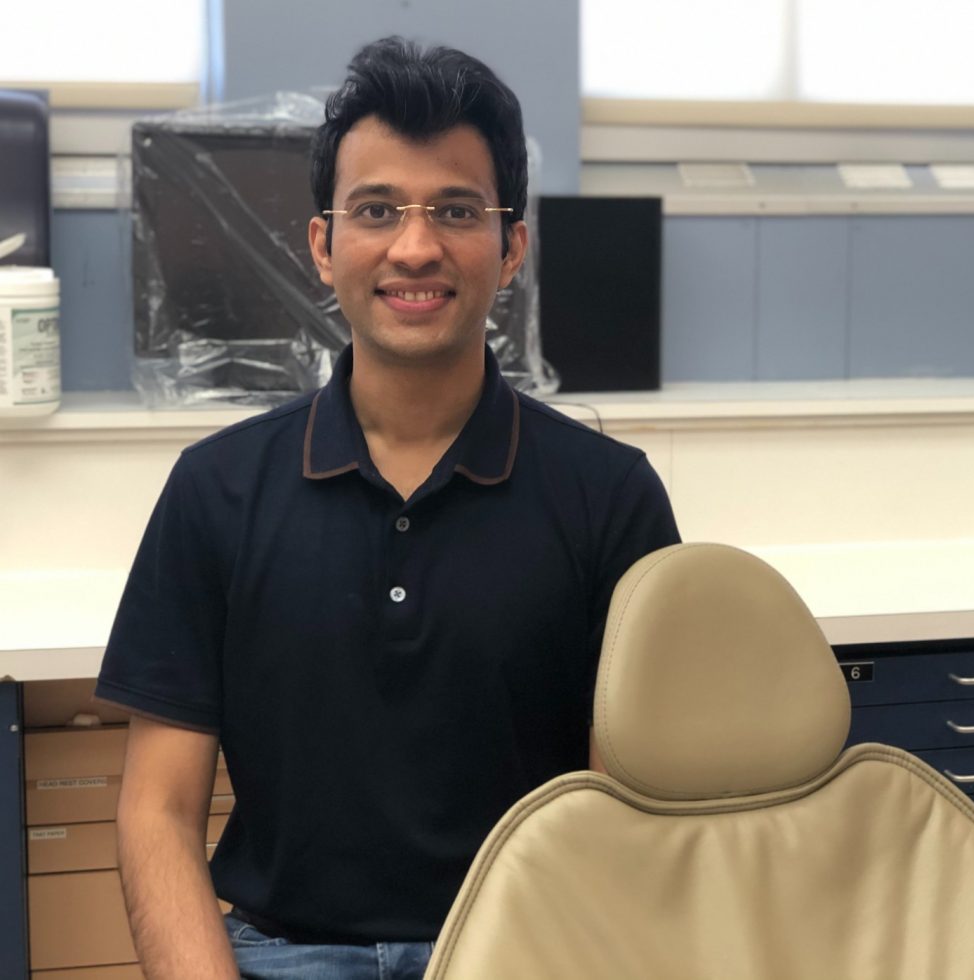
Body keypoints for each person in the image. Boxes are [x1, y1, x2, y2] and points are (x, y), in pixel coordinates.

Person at [95, 36, 679, 980]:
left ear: (511, 246)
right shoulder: (216, 491)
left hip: (519, 952)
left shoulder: (611, 500)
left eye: (456, 210)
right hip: (281, 957)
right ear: (324, 245)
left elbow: (627, 822)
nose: (416, 246)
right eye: (377, 211)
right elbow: (157, 810)